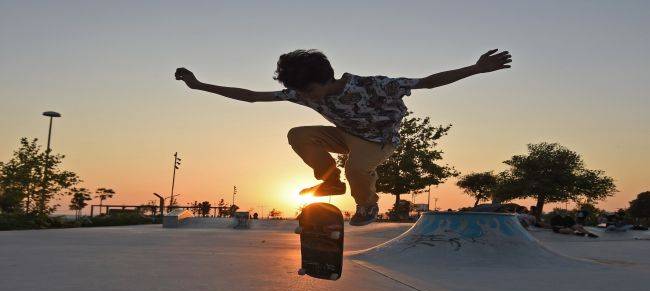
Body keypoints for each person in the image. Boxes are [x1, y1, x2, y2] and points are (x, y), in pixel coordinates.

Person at [175, 49, 512, 225]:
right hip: (344, 135)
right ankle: (329, 181)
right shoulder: (303, 93)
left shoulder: (373, 84)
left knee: (357, 168)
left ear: (327, 78)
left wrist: (475, 68)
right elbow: (251, 96)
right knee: (298, 134)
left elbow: (426, 82)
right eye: (301, 93)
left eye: (311, 91)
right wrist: (199, 85)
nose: (309, 98)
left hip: (378, 141)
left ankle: (367, 205)